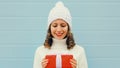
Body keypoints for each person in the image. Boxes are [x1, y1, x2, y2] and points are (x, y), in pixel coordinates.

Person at [33, 1, 88, 68]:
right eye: (55, 25)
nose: (59, 30)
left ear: (68, 27)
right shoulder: (40, 51)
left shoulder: (79, 51)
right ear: (50, 28)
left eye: (63, 25)